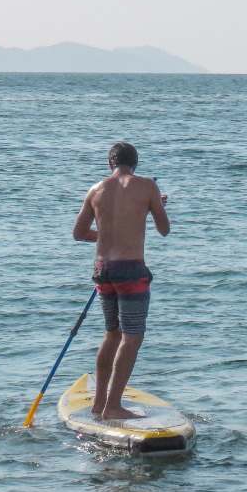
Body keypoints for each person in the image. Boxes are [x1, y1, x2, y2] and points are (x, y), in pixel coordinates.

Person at [73, 141, 170, 419]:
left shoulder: (96, 189)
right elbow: (164, 230)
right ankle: (113, 407)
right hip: (131, 271)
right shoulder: (147, 186)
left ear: (110, 164)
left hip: (103, 270)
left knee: (112, 334)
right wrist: (154, 208)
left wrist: (108, 233)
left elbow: (79, 233)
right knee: (132, 336)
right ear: (135, 164)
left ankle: (99, 402)